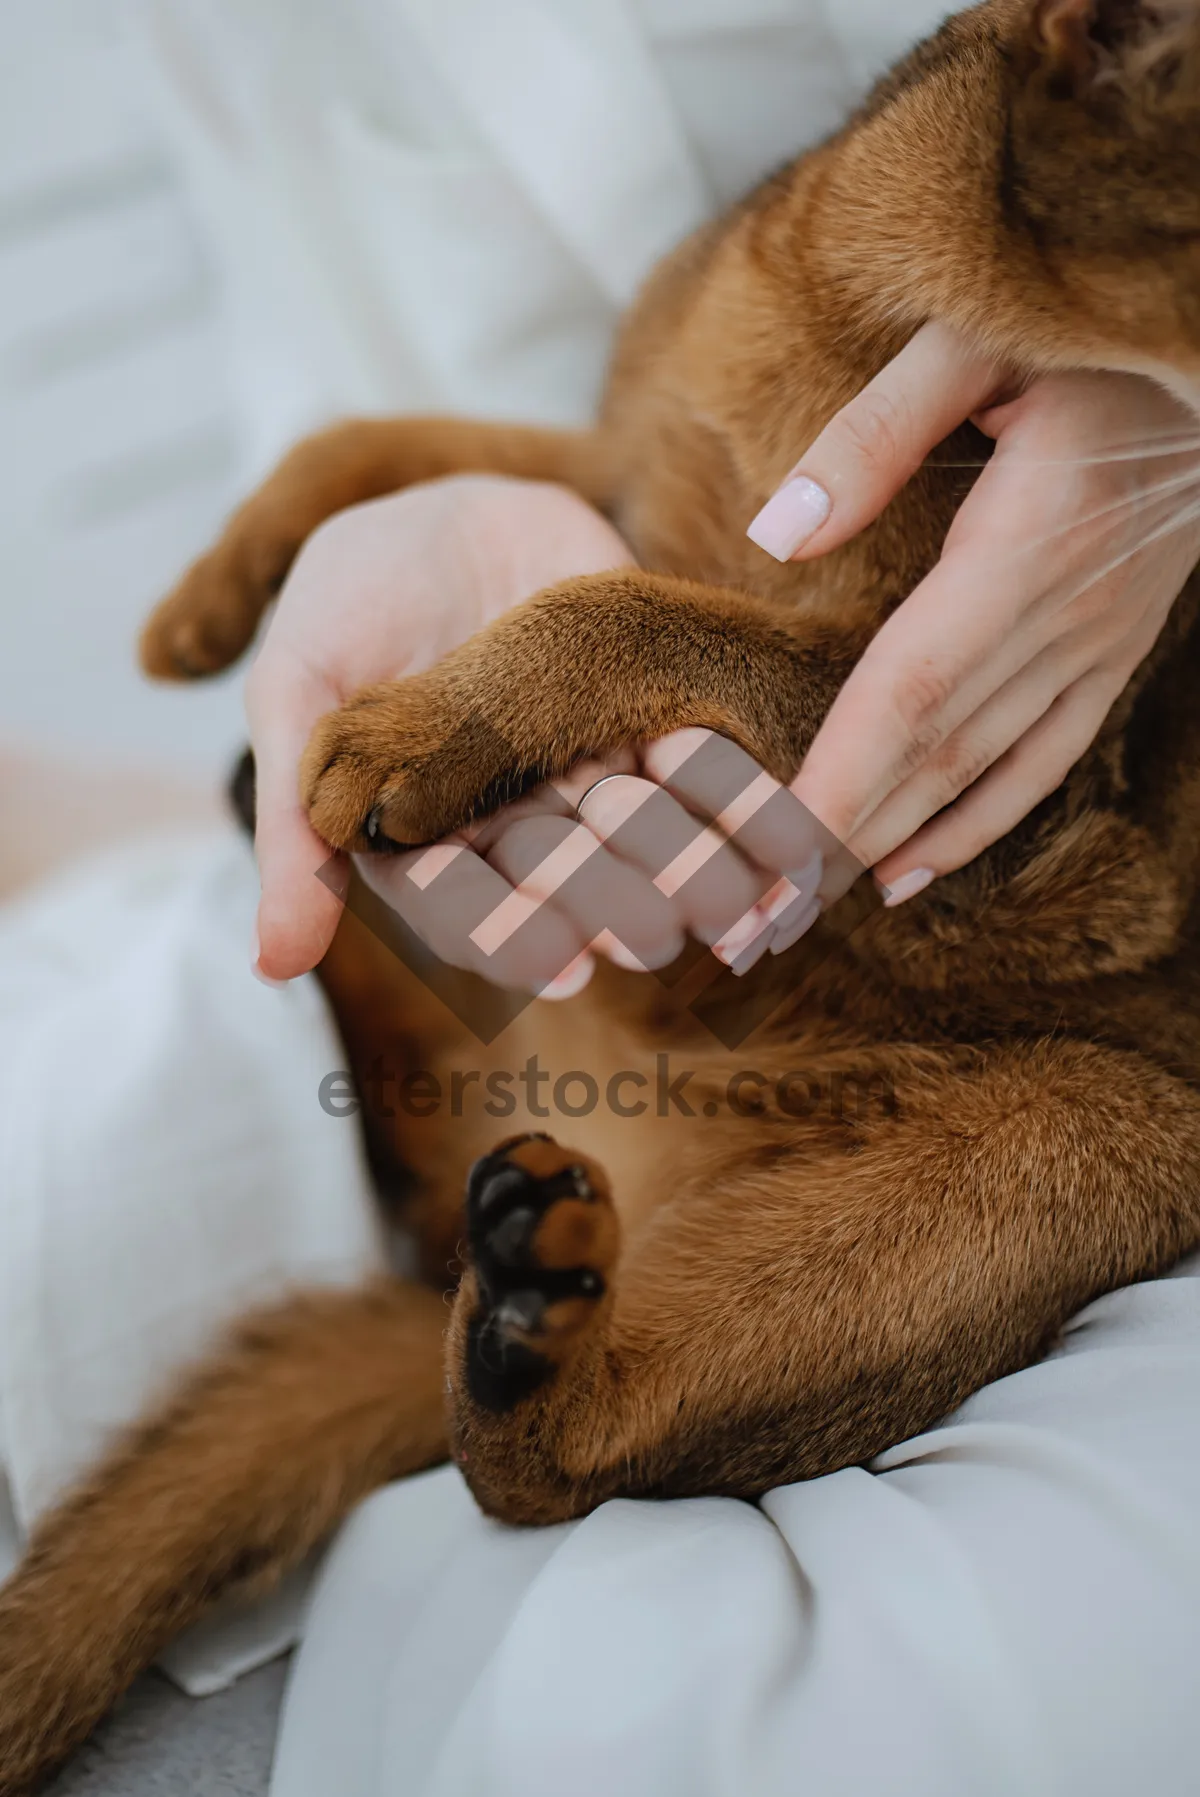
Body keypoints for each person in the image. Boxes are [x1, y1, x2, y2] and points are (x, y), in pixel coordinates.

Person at [2, 1, 1196, 1790]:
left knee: (1128, 1156)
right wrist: (360, 506)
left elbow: (974, 838)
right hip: (550, 959)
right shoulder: (787, 270)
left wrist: (1152, 467)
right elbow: (629, 491)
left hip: (943, 1086)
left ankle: (572, 1400)